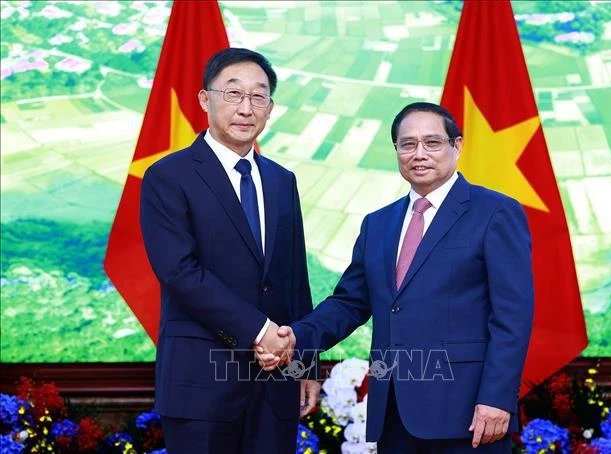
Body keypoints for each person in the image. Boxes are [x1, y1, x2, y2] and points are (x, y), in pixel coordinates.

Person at [257, 102, 534, 453]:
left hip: (470, 416)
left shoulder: (495, 212)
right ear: (397, 151)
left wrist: (497, 399)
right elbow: (349, 303)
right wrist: (294, 339)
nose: (419, 154)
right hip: (394, 416)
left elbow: (513, 315)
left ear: (457, 146)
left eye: (432, 143)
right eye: (408, 144)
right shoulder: (378, 224)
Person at [139, 47, 320, 454]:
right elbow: (180, 272)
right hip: (200, 386)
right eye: (233, 93)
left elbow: (293, 278)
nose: (246, 108)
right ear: (206, 99)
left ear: (270, 108)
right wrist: (261, 332)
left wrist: (306, 362)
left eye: (259, 96)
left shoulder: (281, 180)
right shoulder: (168, 176)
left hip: (275, 385)